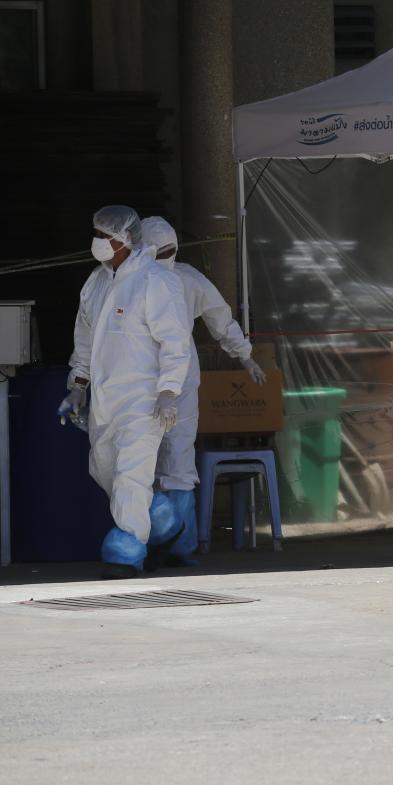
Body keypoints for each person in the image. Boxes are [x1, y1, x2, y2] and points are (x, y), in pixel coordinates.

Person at [60, 207, 192, 577]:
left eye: (104, 235)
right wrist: (79, 386)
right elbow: (84, 339)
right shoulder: (96, 283)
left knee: (131, 476)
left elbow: (175, 340)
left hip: (144, 400)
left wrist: (168, 390)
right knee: (105, 471)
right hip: (105, 398)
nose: (98, 241)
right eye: (96, 233)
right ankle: (164, 521)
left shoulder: (154, 281)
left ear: (124, 239)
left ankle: (127, 550)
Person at [140, 216, 266, 562]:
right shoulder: (149, 281)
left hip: (167, 380)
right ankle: (170, 544)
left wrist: (245, 356)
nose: (166, 255)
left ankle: (168, 544)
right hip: (155, 380)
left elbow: (219, 317)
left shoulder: (159, 281)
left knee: (164, 462)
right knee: (149, 463)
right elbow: (220, 319)